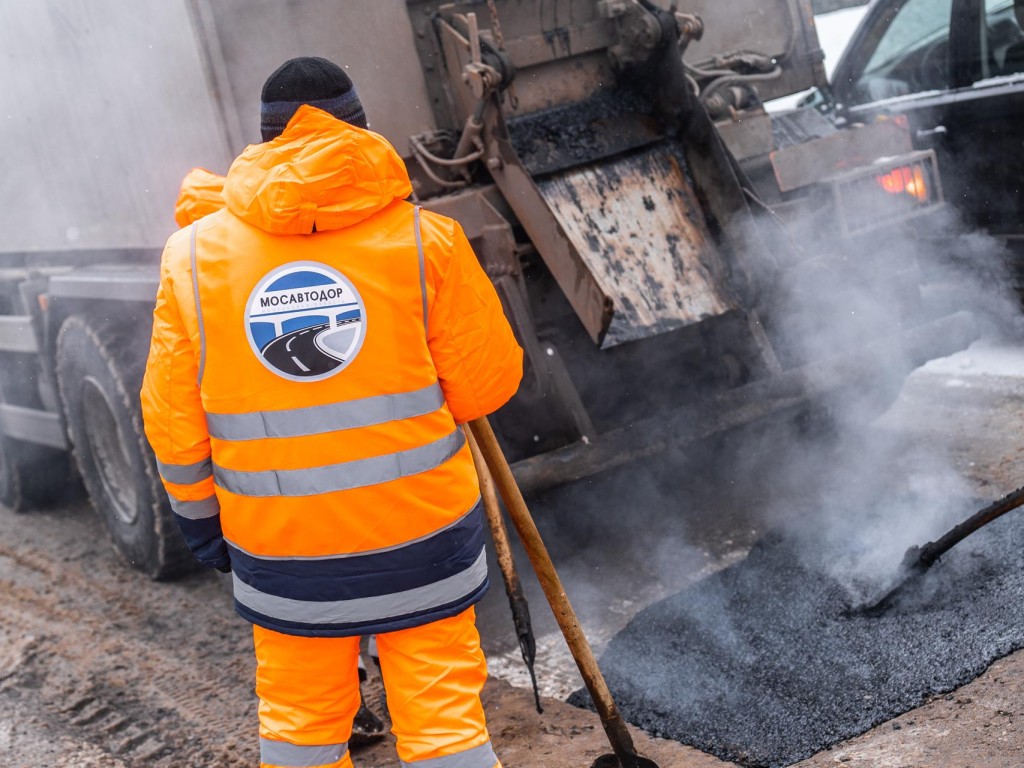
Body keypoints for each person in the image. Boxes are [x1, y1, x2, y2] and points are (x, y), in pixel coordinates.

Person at [141, 55, 523, 768]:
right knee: (444, 724)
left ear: (265, 141)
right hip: (425, 543)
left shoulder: (191, 260)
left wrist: (203, 528)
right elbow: (487, 389)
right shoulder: (424, 241)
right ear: (361, 132)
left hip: (283, 556)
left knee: (300, 729)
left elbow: (172, 424)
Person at [171, 165, 388, 747]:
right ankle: (361, 688)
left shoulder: (200, 273)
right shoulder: (297, 251)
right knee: (362, 580)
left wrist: (201, 520)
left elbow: (176, 416)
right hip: (366, 482)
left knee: (302, 622)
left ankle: (346, 705)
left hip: (269, 507)